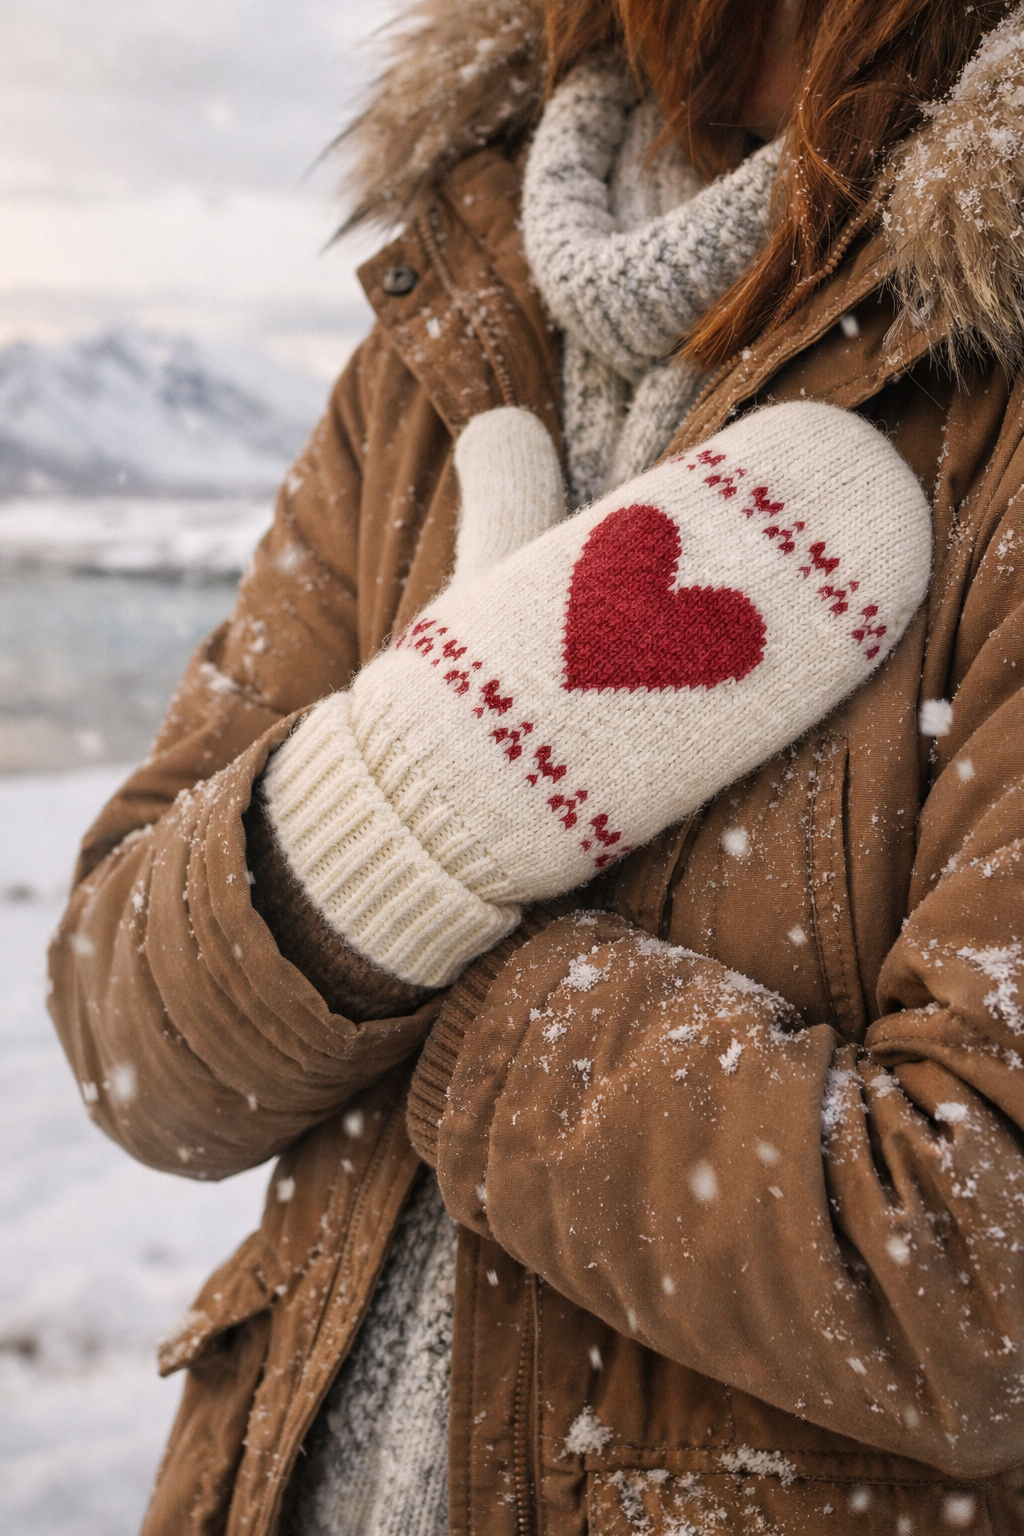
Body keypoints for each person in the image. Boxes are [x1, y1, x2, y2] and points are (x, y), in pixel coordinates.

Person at [48, 0, 1024, 1531]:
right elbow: (132, 1038)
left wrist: (445, 901)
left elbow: (982, 1291)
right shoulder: (447, 319)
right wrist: (414, 780)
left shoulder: (996, 398)